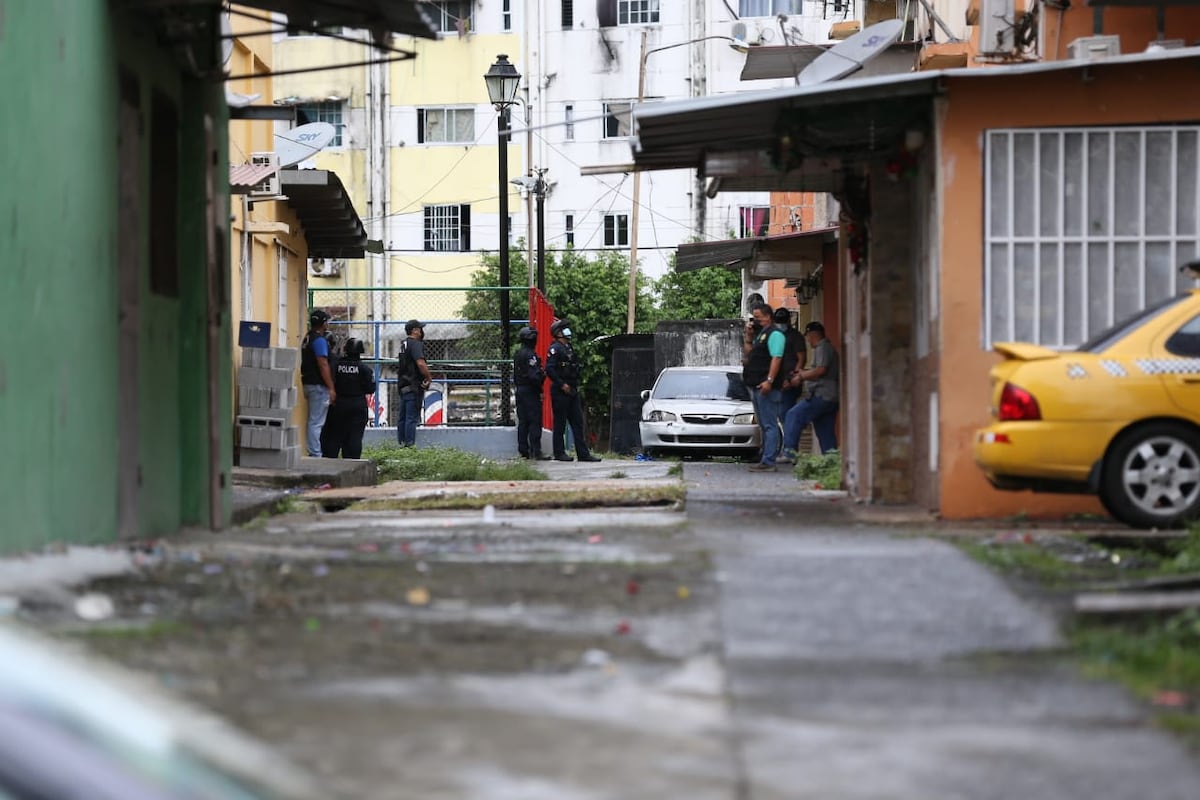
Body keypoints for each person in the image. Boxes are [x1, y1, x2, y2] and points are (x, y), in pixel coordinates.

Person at [780, 321, 840, 462]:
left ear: (812, 335)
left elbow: (821, 370)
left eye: (807, 337)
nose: (807, 340)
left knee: (793, 415)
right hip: (831, 397)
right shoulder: (826, 348)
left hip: (822, 395)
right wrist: (803, 373)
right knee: (825, 432)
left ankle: (790, 453)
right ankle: (831, 463)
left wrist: (801, 376)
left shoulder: (823, 347)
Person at [545, 319, 601, 463]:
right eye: (565, 329)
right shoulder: (555, 348)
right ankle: (559, 453)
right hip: (560, 390)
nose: (568, 331)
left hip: (572, 390)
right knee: (560, 424)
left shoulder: (569, 347)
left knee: (578, 422)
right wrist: (561, 384)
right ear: (558, 333)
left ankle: (583, 454)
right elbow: (550, 369)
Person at [742, 302, 786, 472]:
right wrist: (748, 338)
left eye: (758, 318)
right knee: (764, 425)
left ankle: (769, 461)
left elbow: (777, 358)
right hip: (756, 386)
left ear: (768, 317)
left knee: (769, 425)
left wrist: (769, 380)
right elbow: (749, 355)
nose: (755, 321)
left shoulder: (775, 335)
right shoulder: (761, 336)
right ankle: (765, 458)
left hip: (767, 386)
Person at [321, 338, 377, 459]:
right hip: (357, 405)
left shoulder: (336, 365)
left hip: (338, 405)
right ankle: (353, 464)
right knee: (355, 437)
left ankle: (329, 463)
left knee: (334, 436)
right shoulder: (364, 369)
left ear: (346, 350)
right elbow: (371, 388)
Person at [300, 309, 336, 457]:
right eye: (326, 321)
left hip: (308, 382)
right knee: (316, 422)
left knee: (313, 420)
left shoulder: (307, 338)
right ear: (323, 323)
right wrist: (331, 387)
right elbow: (323, 364)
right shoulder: (319, 340)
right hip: (318, 386)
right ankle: (315, 454)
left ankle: (314, 451)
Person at [513, 326, 550, 460]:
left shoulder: (518, 354)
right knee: (534, 421)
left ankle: (524, 451)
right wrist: (542, 377)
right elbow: (534, 376)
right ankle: (536, 451)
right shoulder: (530, 355)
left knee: (523, 422)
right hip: (530, 391)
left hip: (520, 390)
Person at [396, 319, 432, 447]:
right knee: (411, 418)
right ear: (415, 330)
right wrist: (428, 377)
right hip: (413, 385)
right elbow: (420, 363)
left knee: (403, 418)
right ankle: (409, 446)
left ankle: (401, 443)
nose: (422, 331)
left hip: (403, 384)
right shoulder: (415, 344)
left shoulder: (403, 344)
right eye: (420, 329)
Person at [773, 307, 806, 411]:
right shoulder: (775, 335)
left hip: (790, 382)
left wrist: (791, 379)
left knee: (785, 413)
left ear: (788, 321)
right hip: (777, 382)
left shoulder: (795, 336)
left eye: (782, 321)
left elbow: (801, 359)